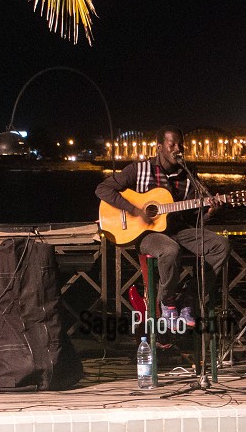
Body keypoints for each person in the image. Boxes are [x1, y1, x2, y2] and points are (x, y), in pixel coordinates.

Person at [96, 126, 230, 326]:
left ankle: (189, 297)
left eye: (180, 145)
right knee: (170, 250)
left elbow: (193, 213)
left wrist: (209, 211)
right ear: (159, 147)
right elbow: (103, 189)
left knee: (221, 245)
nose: (178, 149)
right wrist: (134, 210)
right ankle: (166, 301)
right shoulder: (139, 169)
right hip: (147, 234)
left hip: (179, 230)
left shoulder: (188, 173)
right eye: (172, 144)